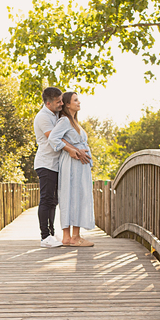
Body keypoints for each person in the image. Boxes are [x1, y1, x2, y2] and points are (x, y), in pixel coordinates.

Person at [48, 91, 95, 247]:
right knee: (73, 196)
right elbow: (53, 138)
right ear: (67, 104)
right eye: (75, 100)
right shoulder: (65, 121)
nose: (79, 102)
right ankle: (73, 237)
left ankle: (70, 237)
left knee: (77, 196)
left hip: (79, 166)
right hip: (72, 165)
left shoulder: (74, 122)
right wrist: (72, 150)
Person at [32, 87, 65, 248]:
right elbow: (54, 138)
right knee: (46, 199)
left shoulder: (56, 114)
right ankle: (45, 237)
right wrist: (74, 150)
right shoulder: (43, 117)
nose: (61, 104)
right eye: (58, 102)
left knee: (53, 201)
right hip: (46, 164)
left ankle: (51, 233)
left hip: (55, 164)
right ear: (48, 103)